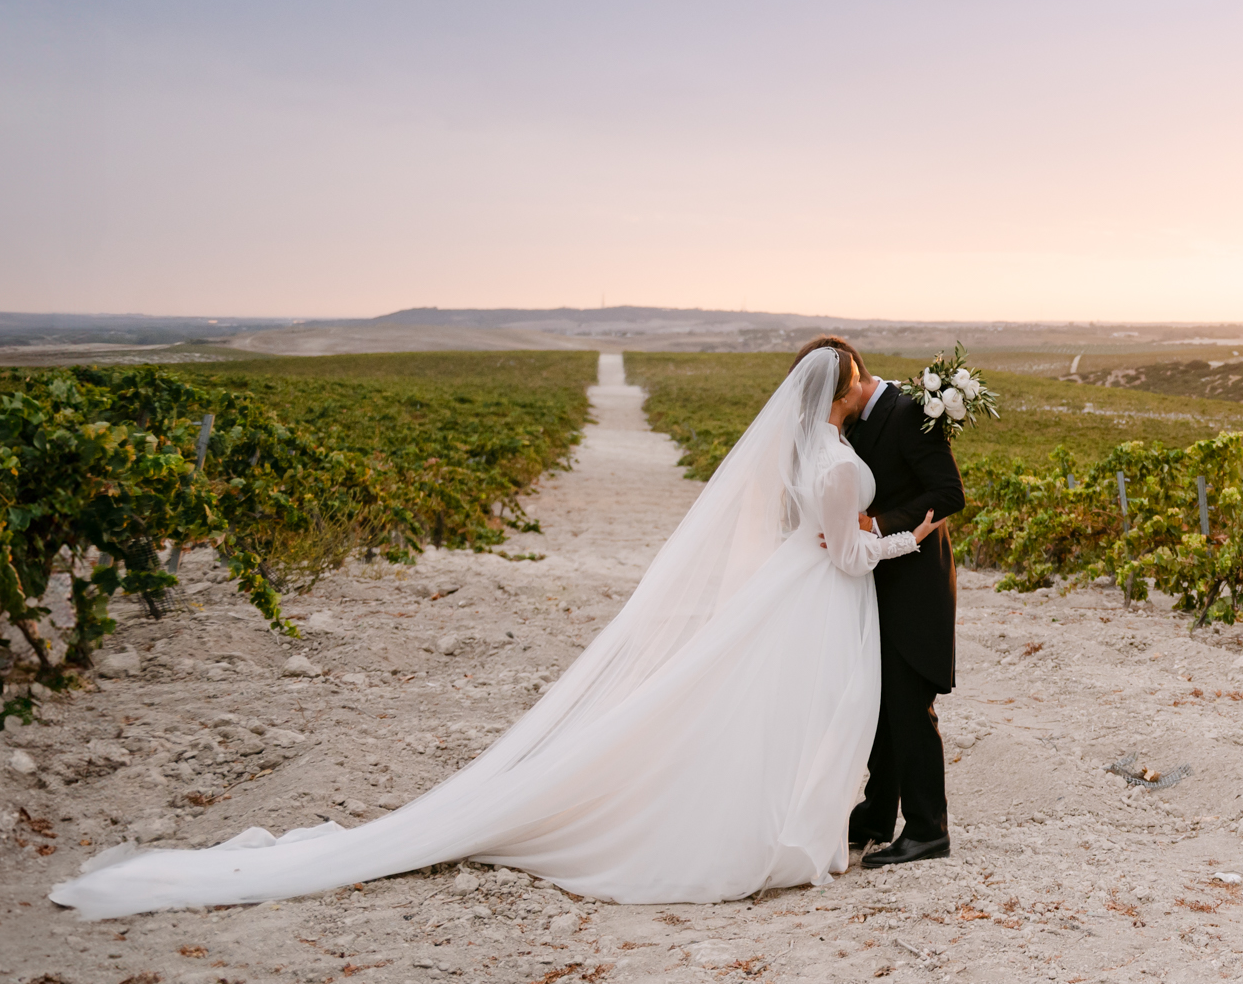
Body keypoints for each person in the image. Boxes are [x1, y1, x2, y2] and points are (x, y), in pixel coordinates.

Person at [49, 344, 936, 917]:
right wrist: (911, 534)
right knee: (808, 708)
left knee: (786, 709)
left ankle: (817, 818)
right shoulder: (834, 460)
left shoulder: (809, 451)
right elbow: (845, 553)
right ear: (841, 391)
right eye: (857, 378)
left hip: (799, 591)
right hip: (821, 595)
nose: (865, 387)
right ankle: (794, 826)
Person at [821, 336, 965, 867]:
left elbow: (948, 493)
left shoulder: (909, 413)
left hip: (915, 583)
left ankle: (928, 829)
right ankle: (876, 816)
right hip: (877, 579)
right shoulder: (860, 417)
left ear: (852, 382)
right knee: (881, 708)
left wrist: (877, 524)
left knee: (909, 708)